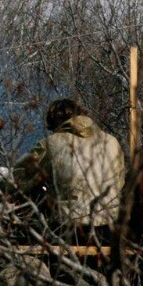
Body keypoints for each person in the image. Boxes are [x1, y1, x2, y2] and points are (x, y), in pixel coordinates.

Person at [12, 97, 126, 239]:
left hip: (67, 227)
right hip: (108, 225)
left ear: (54, 121)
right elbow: (120, 181)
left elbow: (18, 178)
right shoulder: (111, 141)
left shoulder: (49, 144)